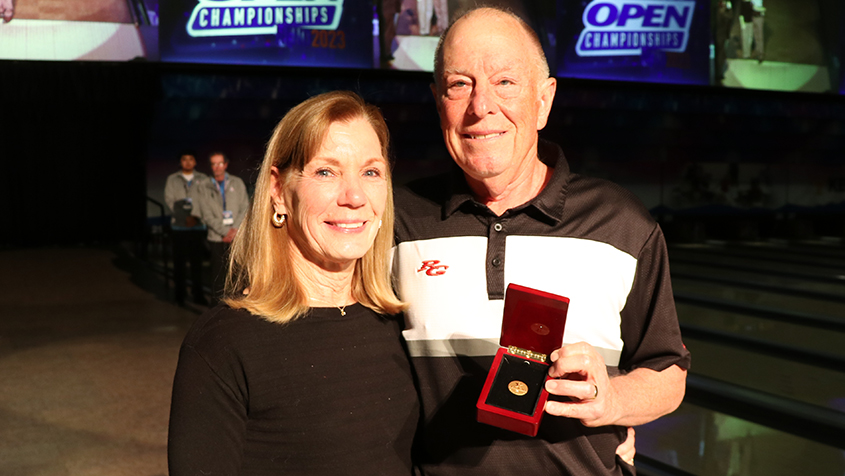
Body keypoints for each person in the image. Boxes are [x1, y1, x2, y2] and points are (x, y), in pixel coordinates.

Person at [391, 6, 690, 475]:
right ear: (438, 101)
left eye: (505, 81)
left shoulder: (621, 224)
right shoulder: (395, 223)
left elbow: (668, 372)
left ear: (544, 100)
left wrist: (612, 400)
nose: (481, 105)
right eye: (459, 84)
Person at [168, 91, 418, 475]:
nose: (354, 196)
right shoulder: (223, 345)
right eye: (325, 172)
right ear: (278, 191)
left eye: (371, 172)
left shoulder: (400, 322)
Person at [192, 151, 250, 303]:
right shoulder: (204, 186)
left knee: (237, 274)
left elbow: (245, 207)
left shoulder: (236, 183)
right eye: (213, 164)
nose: (217, 167)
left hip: (236, 236)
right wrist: (225, 231)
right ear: (211, 166)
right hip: (217, 237)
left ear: (225, 164)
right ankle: (216, 309)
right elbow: (206, 214)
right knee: (218, 275)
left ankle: (238, 306)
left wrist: (234, 230)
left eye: (220, 163)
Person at [164, 151, 209, 306]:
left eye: (191, 159)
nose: (188, 162)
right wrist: (185, 218)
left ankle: (198, 294)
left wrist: (195, 217)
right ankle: (180, 294)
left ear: (195, 162)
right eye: (184, 159)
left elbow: (206, 201)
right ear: (180, 162)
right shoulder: (172, 179)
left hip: (197, 226)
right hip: (179, 227)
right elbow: (170, 201)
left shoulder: (203, 179)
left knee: (197, 264)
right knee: (179, 263)